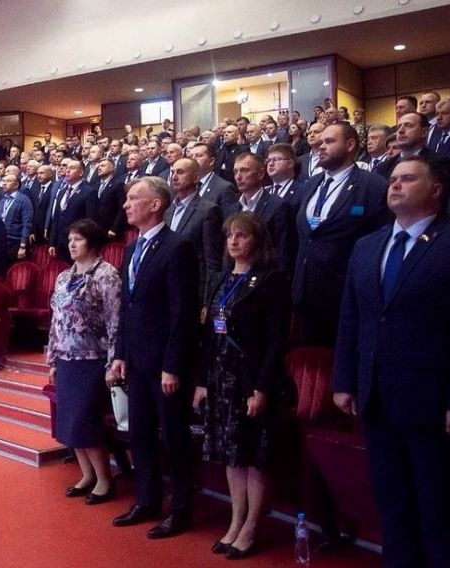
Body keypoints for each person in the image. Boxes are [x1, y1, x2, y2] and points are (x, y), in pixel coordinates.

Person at [332, 157, 450, 568]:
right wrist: (344, 380)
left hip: (432, 405)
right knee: (392, 508)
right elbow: (351, 318)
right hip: (376, 399)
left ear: (436, 190)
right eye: (393, 179)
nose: (396, 185)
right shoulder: (366, 246)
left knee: (438, 514)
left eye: (408, 179)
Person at [193, 212, 290, 559]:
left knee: (253, 455)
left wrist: (262, 387)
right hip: (221, 376)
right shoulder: (221, 277)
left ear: (257, 241)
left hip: (251, 378)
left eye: (242, 236)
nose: (233, 242)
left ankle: (251, 526)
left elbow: (277, 341)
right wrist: (202, 382)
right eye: (229, 236)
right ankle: (235, 521)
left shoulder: (272, 280)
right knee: (231, 453)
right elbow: (209, 335)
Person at [110, 177, 200, 539]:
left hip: (165, 366)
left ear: (155, 205)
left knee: (175, 438)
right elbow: (126, 307)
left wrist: (173, 365)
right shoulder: (132, 248)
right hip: (136, 361)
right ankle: (147, 500)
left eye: (134, 198)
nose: (126, 205)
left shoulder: (178, 247)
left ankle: (181, 509)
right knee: (140, 434)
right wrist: (120, 354)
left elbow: (183, 314)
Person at [292, 122, 390, 346]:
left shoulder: (373, 186)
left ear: (350, 144)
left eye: (329, 141)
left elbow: (379, 243)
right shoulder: (310, 185)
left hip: (346, 296)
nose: (320, 146)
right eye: (320, 142)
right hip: (305, 296)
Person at [47, 219, 121, 505]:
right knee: (68, 422)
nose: (72, 244)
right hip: (66, 358)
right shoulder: (64, 277)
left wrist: (113, 362)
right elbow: (56, 320)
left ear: (91, 242)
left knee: (85, 421)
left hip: (93, 359)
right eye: (69, 240)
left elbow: (115, 322)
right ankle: (87, 474)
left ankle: (104, 479)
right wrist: (52, 358)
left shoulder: (105, 274)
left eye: (77, 239)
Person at [164, 158, 223, 304]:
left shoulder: (208, 210)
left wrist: (207, 301)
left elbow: (212, 261)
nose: (174, 177)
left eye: (180, 172)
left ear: (196, 177)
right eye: (172, 172)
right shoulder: (168, 210)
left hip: (192, 292)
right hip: (166, 290)